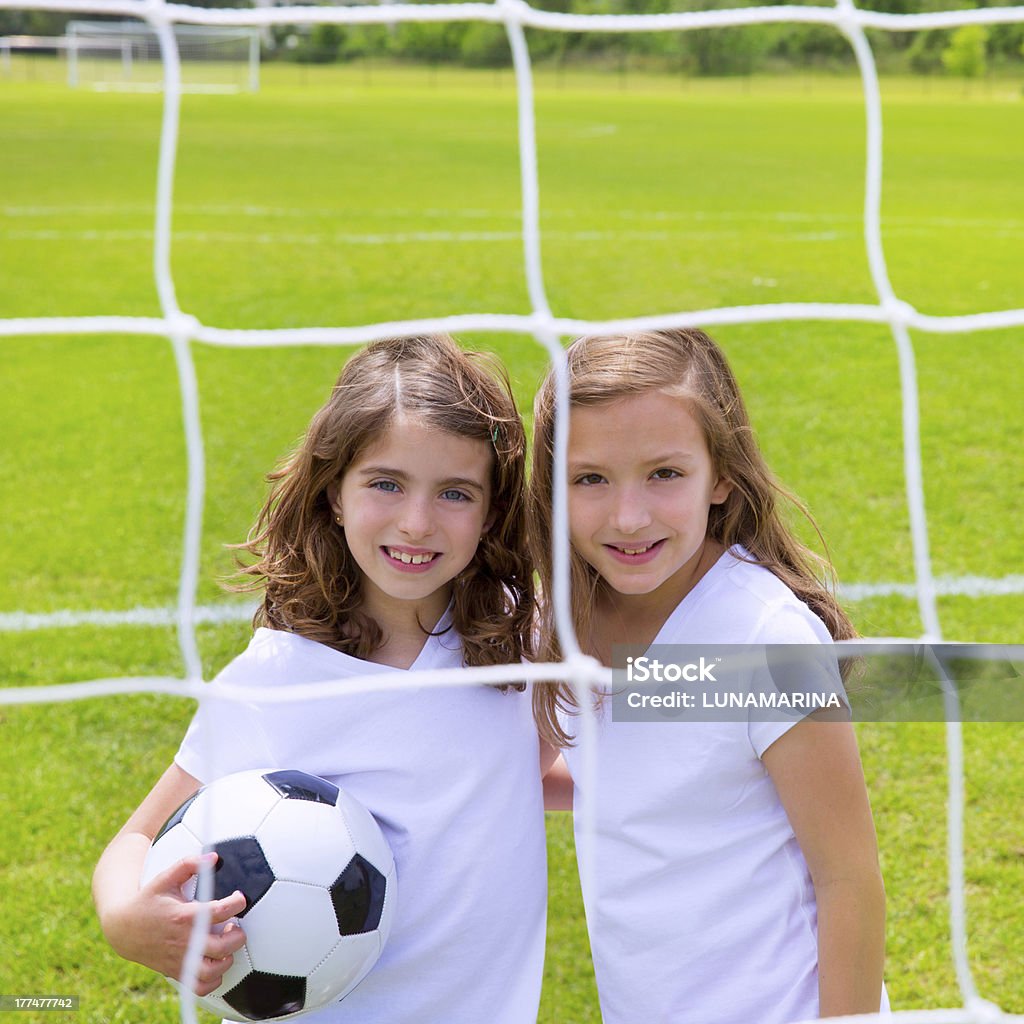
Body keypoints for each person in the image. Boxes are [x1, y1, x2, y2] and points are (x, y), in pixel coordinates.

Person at [93, 334, 546, 1024]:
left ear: (490, 513)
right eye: (386, 483)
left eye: (455, 493)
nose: (417, 523)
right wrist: (125, 917)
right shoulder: (272, 683)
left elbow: (525, 769)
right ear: (334, 491)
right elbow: (136, 838)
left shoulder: (519, 637)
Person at [528, 328, 886, 1024]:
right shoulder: (564, 619)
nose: (629, 517)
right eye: (590, 479)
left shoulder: (765, 639)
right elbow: (590, 776)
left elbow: (849, 882)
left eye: (665, 473)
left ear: (720, 473)